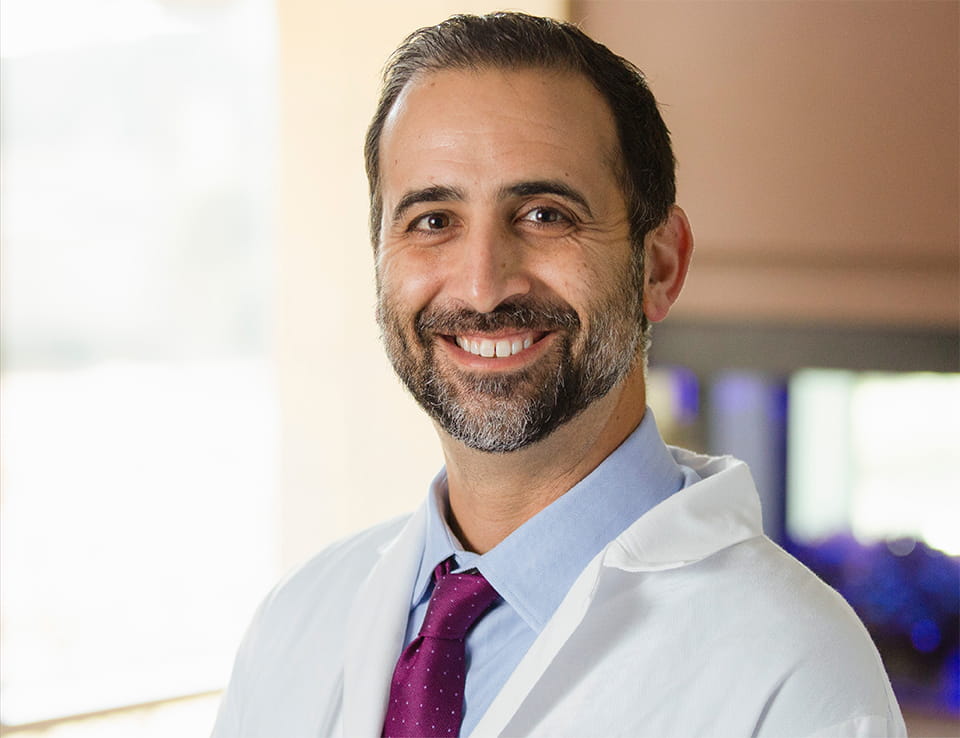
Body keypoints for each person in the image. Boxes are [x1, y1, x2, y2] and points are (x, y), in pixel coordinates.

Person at [212, 12, 905, 738]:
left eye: (544, 214)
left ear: (659, 266)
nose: (482, 288)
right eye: (432, 220)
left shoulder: (798, 677)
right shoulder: (296, 621)